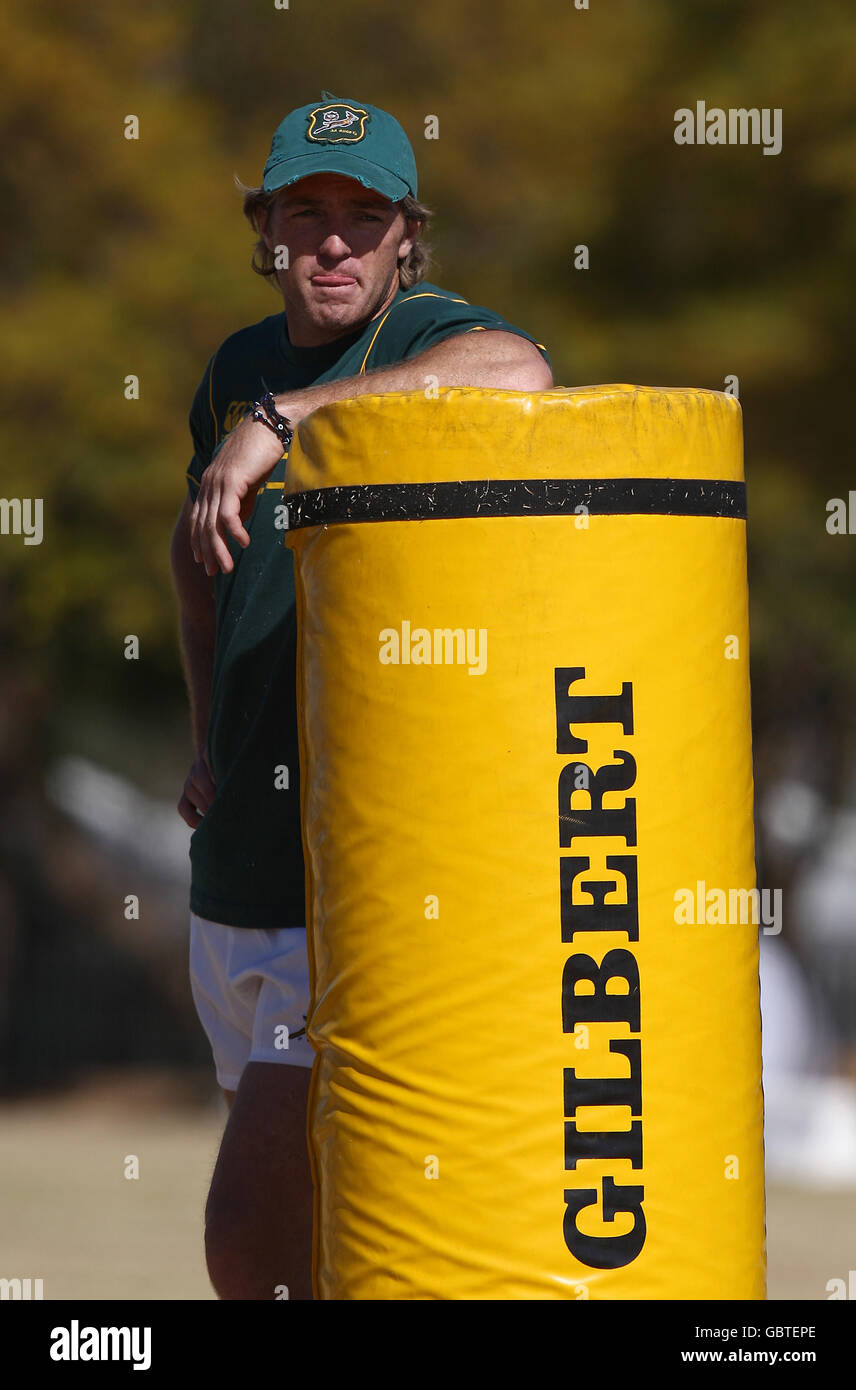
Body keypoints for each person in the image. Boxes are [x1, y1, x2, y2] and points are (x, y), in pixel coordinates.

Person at [170, 90, 553, 1301]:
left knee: (248, 1241)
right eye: (304, 212)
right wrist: (203, 734)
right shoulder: (232, 362)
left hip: (349, 882)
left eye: (362, 215)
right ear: (266, 229)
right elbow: (195, 556)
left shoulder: (429, 337)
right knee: (320, 1242)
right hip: (233, 862)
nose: (332, 240)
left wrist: (282, 422)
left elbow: (521, 371)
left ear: (406, 235)